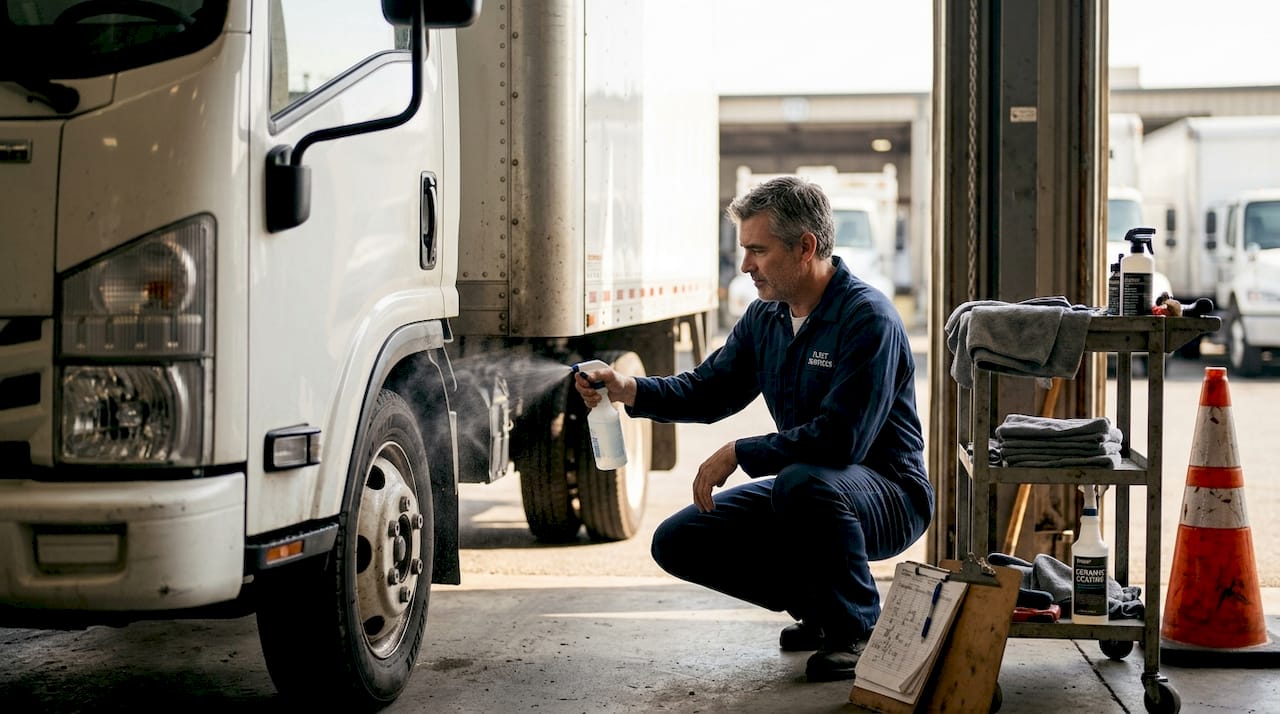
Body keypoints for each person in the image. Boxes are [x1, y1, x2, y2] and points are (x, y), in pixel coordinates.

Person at [573, 175, 933, 682]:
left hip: (888, 496)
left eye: (758, 251)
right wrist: (628, 389)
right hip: (811, 489)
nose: (745, 266)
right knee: (679, 539)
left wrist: (741, 451)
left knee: (802, 483)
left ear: (805, 247)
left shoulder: (867, 319)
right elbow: (707, 390)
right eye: (744, 251)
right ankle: (822, 611)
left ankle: (857, 630)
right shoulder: (766, 318)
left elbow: (841, 440)